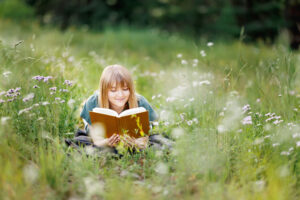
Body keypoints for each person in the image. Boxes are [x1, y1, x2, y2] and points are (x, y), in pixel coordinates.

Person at [80, 64, 158, 150]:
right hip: (101, 138)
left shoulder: (140, 102)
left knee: (157, 144)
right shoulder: (93, 102)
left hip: (135, 140)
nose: (120, 95)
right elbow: (97, 141)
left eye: (125, 89)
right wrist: (106, 142)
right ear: (104, 91)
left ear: (130, 89)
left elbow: (144, 140)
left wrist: (135, 143)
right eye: (113, 90)